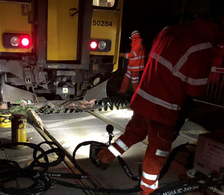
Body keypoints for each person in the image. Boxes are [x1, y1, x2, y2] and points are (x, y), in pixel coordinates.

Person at [96, 16, 224, 195]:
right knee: (158, 153)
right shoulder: (203, 47)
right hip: (164, 106)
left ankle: (104, 156)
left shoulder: (168, 30)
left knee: (133, 133)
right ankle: (148, 191)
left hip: (143, 98)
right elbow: (195, 89)